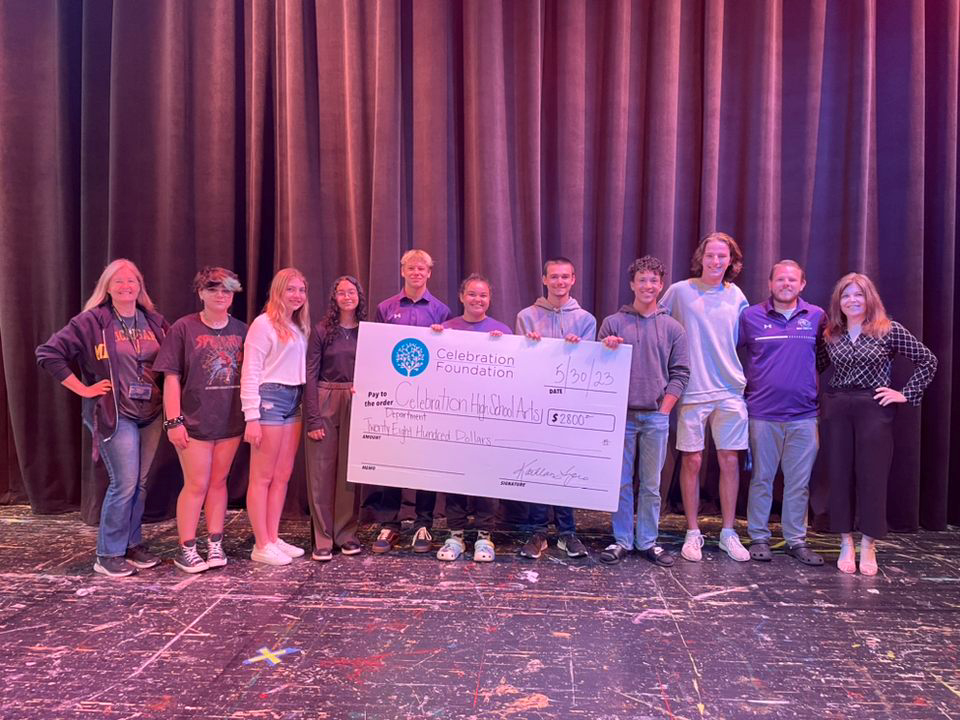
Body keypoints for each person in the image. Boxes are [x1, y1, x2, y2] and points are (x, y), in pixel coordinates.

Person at [36, 259, 168, 577]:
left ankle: (131, 544)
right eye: (118, 281)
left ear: (140, 285)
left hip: (151, 412)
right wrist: (84, 389)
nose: (126, 286)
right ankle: (108, 553)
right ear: (107, 287)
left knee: (140, 484)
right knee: (124, 483)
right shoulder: (91, 321)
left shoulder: (154, 321)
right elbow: (48, 353)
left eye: (131, 280)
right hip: (115, 414)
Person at [818, 272, 937, 575]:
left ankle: (869, 543)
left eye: (858, 294)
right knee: (839, 474)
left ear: (869, 298)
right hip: (838, 407)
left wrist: (905, 394)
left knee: (872, 475)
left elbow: (928, 360)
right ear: (838, 302)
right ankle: (845, 542)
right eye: (846, 295)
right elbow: (816, 366)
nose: (852, 300)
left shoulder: (889, 330)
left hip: (873, 408)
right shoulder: (831, 333)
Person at [660, 232, 750, 562]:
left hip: (729, 389)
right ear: (701, 258)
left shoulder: (736, 295)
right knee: (692, 460)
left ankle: (728, 532)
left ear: (731, 261)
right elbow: (655, 323)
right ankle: (692, 532)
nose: (715, 261)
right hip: (692, 389)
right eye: (710, 255)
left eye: (722, 256)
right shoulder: (680, 291)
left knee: (729, 460)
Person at [153, 267, 247, 573]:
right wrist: (173, 421)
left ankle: (215, 542)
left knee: (219, 483)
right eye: (213, 289)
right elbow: (170, 377)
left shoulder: (242, 330)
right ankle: (187, 547)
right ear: (201, 293)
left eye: (226, 290)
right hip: (194, 423)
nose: (220, 295)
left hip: (230, 421)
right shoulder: (184, 328)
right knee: (196, 484)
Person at [598, 256, 689, 566]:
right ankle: (622, 540)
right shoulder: (613, 323)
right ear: (632, 284)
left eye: (653, 280)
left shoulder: (673, 327)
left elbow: (680, 373)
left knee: (651, 484)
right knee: (621, 482)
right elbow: (596, 369)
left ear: (661, 285)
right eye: (642, 280)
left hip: (655, 417)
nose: (647, 286)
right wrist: (606, 348)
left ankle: (648, 540)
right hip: (620, 417)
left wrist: (664, 411)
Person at [739, 260, 825, 567]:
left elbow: (825, 357)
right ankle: (758, 537)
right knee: (761, 479)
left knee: (798, 483)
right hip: (762, 414)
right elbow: (730, 354)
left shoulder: (816, 316)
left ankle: (796, 540)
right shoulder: (750, 317)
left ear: (802, 284)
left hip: (804, 415)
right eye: (780, 279)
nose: (786, 284)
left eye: (792, 280)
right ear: (770, 283)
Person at [369, 249, 452, 554]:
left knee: (425, 458)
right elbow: (375, 351)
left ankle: (423, 523)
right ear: (402, 271)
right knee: (391, 457)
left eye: (422, 268)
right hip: (392, 395)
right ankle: (389, 523)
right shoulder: (385, 308)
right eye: (411, 268)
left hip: (428, 397)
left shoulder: (442, 311)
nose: (417, 273)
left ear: (429, 273)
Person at [515, 257, 596, 559]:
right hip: (535, 402)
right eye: (554, 277)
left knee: (564, 467)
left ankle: (567, 532)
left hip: (569, 405)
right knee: (537, 465)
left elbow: (589, 365)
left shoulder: (586, 320)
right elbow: (519, 361)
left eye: (565, 277)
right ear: (544, 280)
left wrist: (579, 348)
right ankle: (538, 532)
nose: (559, 282)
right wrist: (528, 345)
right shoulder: (526, 316)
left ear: (573, 279)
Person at [429, 273, 511, 562]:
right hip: (454, 419)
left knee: (486, 477)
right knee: (455, 478)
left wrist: (504, 347)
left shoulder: (502, 332)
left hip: (489, 420)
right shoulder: (446, 329)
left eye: (483, 295)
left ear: (490, 299)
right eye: (472, 294)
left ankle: (485, 537)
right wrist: (433, 339)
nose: (478, 299)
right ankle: (456, 536)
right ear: (462, 297)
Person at [240, 267, 310, 566]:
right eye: (291, 289)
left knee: (282, 475)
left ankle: (272, 536)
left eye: (301, 290)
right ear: (278, 291)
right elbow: (250, 370)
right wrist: (251, 416)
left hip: (294, 399)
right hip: (270, 398)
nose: (297, 295)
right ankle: (261, 543)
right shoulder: (263, 324)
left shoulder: (296, 326)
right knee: (263, 476)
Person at [303, 275, 366, 561]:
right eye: (341, 292)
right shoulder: (321, 330)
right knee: (321, 471)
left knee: (349, 472)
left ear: (359, 296)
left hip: (356, 399)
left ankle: (346, 535)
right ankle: (323, 538)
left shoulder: (367, 330)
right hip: (325, 396)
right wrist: (313, 419)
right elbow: (310, 373)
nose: (347, 297)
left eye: (351, 292)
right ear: (334, 298)